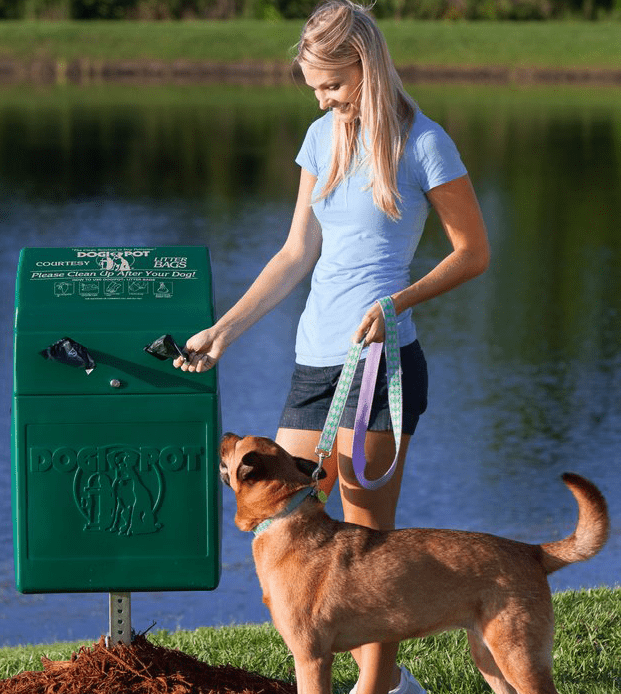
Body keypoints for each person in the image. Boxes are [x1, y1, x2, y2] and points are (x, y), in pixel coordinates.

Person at [173, 1, 490, 692]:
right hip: (314, 360)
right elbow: (295, 253)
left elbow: (473, 253)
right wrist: (224, 330)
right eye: (314, 87)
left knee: (367, 546)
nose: (321, 98)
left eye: (333, 84)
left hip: (382, 361)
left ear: (365, 66)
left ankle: (379, 686)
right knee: (286, 524)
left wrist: (397, 303)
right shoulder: (320, 139)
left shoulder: (425, 142)